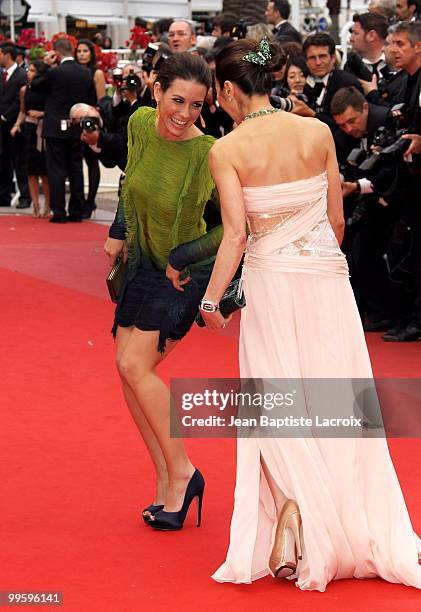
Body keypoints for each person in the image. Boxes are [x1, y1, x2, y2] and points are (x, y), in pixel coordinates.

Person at [198, 37, 421, 591]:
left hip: (273, 286)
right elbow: (337, 222)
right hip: (326, 282)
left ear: (228, 89)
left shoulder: (226, 150)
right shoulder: (316, 130)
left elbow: (235, 237)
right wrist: (317, 260)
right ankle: (331, 517)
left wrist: (210, 301)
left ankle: (297, 510)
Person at [104, 53, 222, 531]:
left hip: (183, 273)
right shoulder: (138, 123)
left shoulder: (208, 151)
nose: (184, 113)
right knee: (124, 369)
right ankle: (165, 482)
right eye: (177, 99)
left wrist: (182, 256)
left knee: (136, 365)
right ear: (156, 90)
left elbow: (233, 228)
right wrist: (117, 229)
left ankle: (185, 472)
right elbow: (132, 181)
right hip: (140, 262)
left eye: (196, 105)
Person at [31, 37, 96, 223]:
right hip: (77, 125)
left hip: (55, 128)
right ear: (72, 50)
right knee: (76, 168)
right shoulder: (85, 73)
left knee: (56, 169)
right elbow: (91, 99)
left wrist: (44, 65)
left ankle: (59, 212)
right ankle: (76, 211)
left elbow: (35, 86)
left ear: (56, 53)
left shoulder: (54, 72)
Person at [10, 59, 51, 218]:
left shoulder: (48, 90)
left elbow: (54, 109)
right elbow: (22, 111)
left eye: (32, 70)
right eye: (29, 70)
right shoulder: (24, 90)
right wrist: (16, 125)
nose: (28, 72)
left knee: (45, 172)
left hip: (44, 130)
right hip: (28, 129)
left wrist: (42, 114)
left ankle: (48, 205)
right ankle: (35, 205)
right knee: (30, 171)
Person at [75, 39, 107, 219]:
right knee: (77, 163)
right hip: (75, 119)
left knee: (92, 162)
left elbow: (102, 101)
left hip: (91, 120)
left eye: (85, 51)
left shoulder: (97, 73)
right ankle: (80, 200)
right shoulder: (74, 72)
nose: (81, 54)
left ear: (91, 54)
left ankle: (90, 200)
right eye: (78, 51)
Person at [0, 42, 31, 209]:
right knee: (3, 161)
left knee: (19, 162)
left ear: (7, 55)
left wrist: (4, 116)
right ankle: (3, 195)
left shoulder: (21, 75)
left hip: (17, 126)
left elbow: (20, 101)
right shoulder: (1, 74)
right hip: (2, 127)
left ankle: (25, 196)